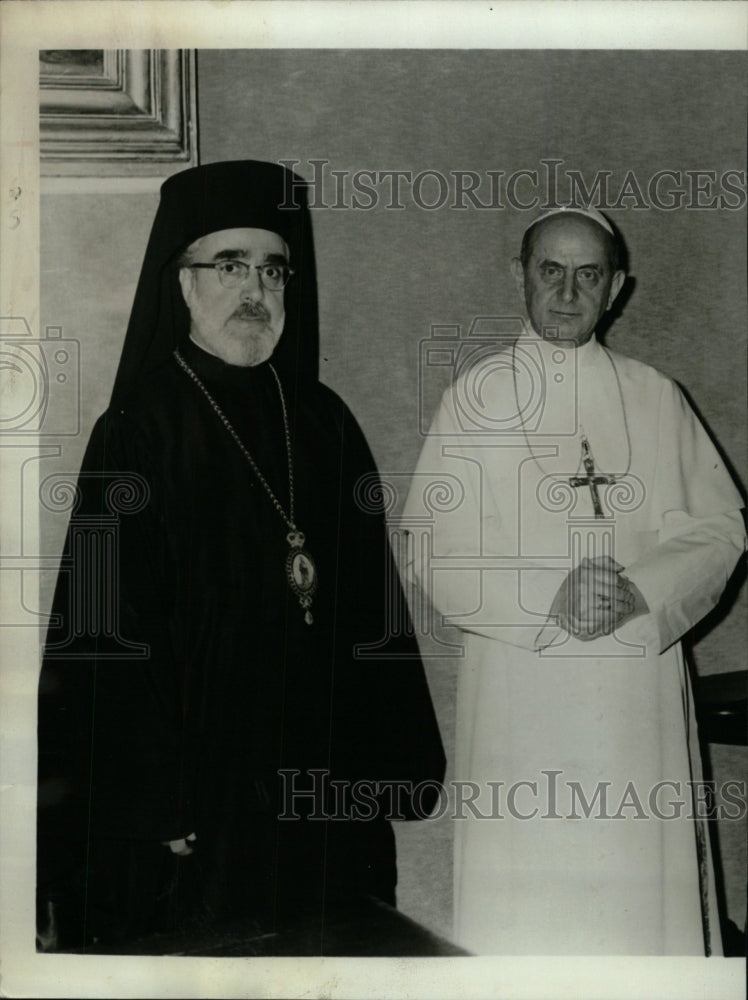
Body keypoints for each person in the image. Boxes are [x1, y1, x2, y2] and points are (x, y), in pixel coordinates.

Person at [37, 160, 445, 952]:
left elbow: (372, 609)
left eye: (272, 269)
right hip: (201, 807)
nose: (254, 290)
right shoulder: (139, 428)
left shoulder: (325, 424)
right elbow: (105, 639)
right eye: (228, 266)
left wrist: (385, 767)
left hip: (323, 795)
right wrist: (158, 804)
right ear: (182, 283)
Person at [403, 205, 744, 955]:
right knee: (529, 909)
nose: (566, 292)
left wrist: (643, 589)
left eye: (587, 274)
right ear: (519, 276)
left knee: (637, 908)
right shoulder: (477, 400)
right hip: (524, 697)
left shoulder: (657, 397)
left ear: (617, 288)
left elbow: (721, 529)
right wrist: (542, 596)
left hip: (635, 700)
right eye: (549, 271)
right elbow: (433, 544)